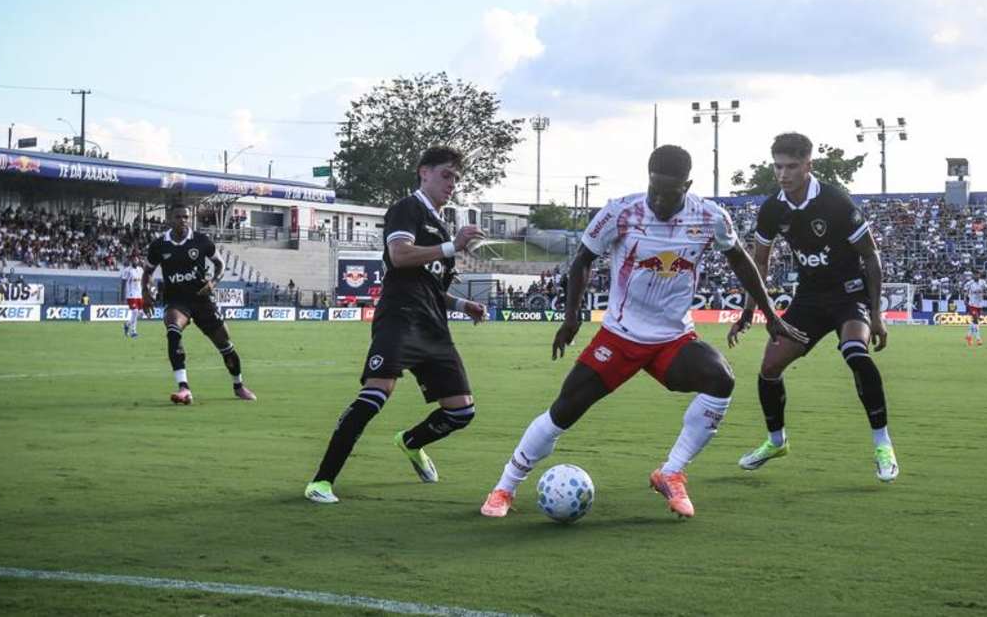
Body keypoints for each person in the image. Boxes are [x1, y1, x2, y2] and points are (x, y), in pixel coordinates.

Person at [479, 145, 806, 519]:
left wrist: (767, 314)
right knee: (564, 410)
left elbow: (741, 261)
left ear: (688, 185)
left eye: (670, 192)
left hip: (672, 338)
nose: (660, 200)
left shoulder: (709, 215)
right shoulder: (622, 211)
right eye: (654, 190)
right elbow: (583, 259)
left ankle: (671, 472)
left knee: (721, 379)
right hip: (620, 335)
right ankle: (505, 487)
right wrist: (571, 318)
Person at [305, 147, 487, 504]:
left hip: (434, 327)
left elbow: (433, 289)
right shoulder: (408, 208)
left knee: (461, 411)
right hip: (401, 318)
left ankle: (410, 442)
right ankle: (321, 481)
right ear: (424, 172)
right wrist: (453, 246)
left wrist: (463, 304)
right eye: (446, 175)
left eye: (456, 179)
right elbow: (399, 256)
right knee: (375, 395)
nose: (452, 184)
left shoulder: (439, 225)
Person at [727, 132, 900, 483]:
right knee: (769, 366)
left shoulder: (835, 201)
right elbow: (758, 264)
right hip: (808, 298)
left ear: (809, 165)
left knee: (855, 352)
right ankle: (776, 442)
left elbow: (870, 255)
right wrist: (749, 311)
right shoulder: (773, 208)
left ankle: (883, 444)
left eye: (791, 166)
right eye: (778, 166)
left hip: (849, 295)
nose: (783, 174)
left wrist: (877, 315)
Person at [141, 203, 256, 405]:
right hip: (176, 300)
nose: (183, 221)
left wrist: (213, 282)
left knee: (225, 344)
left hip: (201, 299)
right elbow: (147, 272)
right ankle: (184, 388)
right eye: (179, 217)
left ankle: (239, 386)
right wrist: (145, 293)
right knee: (173, 329)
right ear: (170, 219)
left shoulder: (201, 241)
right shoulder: (159, 245)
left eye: (186, 217)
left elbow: (220, 264)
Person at [962, 271, 987, 347]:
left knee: (974, 322)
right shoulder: (969, 283)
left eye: (977, 274)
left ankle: (968, 336)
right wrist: (964, 299)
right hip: (972, 304)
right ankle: (978, 339)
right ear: (973, 275)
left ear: (979, 275)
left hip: (980, 305)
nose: (976, 276)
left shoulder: (982, 282)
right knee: (975, 320)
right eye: (975, 274)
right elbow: (964, 291)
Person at [120, 256, 145, 338]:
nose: (136, 261)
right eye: (134, 260)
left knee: (140, 313)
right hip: (131, 294)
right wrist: (122, 295)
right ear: (131, 261)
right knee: (135, 311)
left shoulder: (141, 270)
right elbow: (123, 283)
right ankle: (133, 331)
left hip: (139, 294)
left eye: (137, 260)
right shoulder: (127, 270)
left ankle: (127, 324)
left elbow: (143, 281)